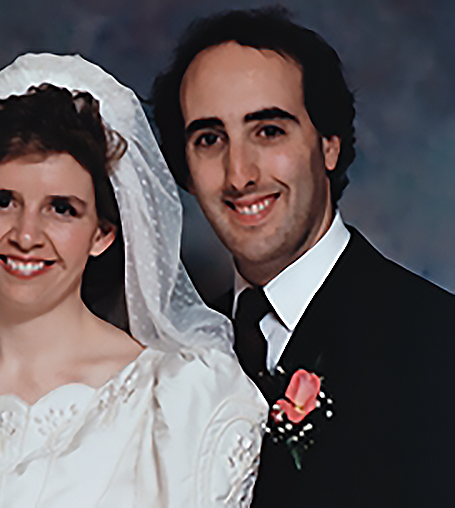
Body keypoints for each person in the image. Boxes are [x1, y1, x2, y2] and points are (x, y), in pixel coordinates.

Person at [0, 53, 268, 507]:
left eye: (61, 209)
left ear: (103, 233)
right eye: (2, 202)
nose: (26, 235)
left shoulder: (176, 398)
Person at [151, 7, 455, 508]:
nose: (239, 174)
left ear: (329, 145)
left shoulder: (436, 343)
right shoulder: (171, 350)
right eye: (209, 139)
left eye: (268, 131)